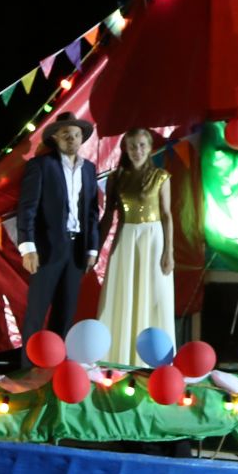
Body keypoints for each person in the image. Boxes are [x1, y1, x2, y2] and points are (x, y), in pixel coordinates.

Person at [16, 112, 102, 343]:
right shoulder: (41, 166)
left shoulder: (89, 169)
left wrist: (92, 249)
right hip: (47, 248)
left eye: (76, 135)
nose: (72, 139)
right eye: (66, 135)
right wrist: (28, 248)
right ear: (55, 137)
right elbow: (27, 209)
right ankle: (30, 370)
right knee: (36, 313)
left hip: (77, 250)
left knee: (65, 313)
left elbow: (93, 212)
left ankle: (55, 368)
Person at [95, 127, 175, 362]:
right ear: (125, 149)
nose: (137, 151)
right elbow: (108, 215)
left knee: (154, 292)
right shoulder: (116, 177)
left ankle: (155, 356)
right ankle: (119, 355)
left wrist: (169, 251)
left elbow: (167, 214)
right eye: (132, 146)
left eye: (141, 146)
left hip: (153, 239)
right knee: (123, 292)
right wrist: (97, 251)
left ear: (150, 148)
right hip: (126, 238)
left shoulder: (161, 176)